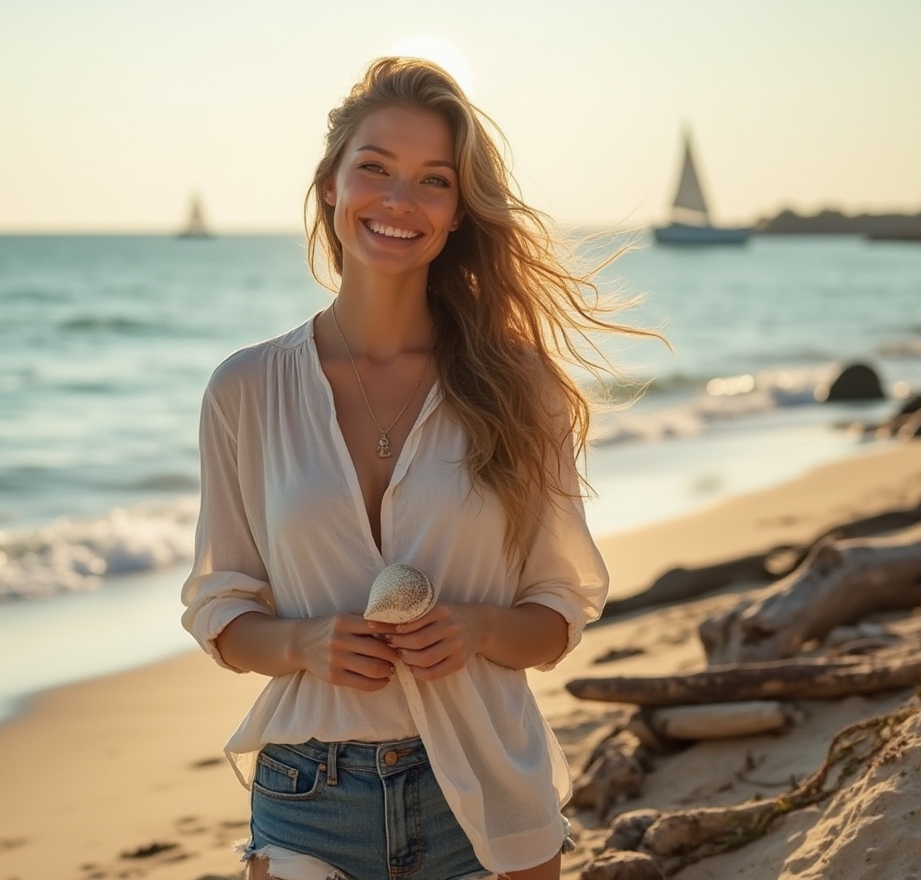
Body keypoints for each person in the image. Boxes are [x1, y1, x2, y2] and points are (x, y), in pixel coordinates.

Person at [182, 57, 648, 880]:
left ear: (459, 210)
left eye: (433, 180)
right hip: (307, 795)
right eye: (375, 168)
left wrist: (479, 628)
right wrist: (303, 642)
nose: (399, 201)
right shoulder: (245, 389)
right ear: (331, 184)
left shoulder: (519, 388)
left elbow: (558, 609)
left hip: (486, 785)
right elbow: (222, 611)